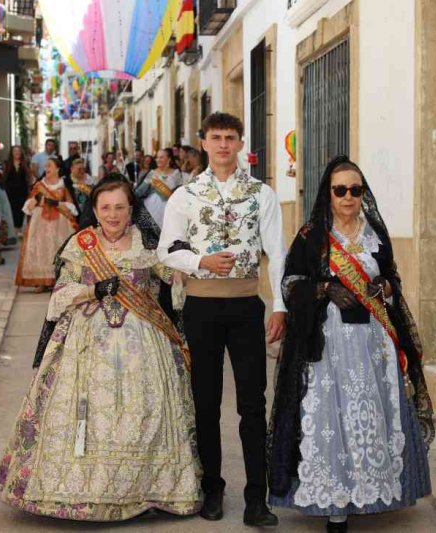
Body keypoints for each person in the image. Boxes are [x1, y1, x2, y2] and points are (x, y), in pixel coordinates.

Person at [0, 176, 202, 521]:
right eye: (105, 207)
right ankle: (77, 495)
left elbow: (175, 284)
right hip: (86, 339)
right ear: (94, 210)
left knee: (144, 411)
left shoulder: (149, 245)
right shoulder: (81, 245)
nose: (112, 214)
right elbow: (58, 298)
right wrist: (93, 290)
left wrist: (186, 264)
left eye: (120, 207)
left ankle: (145, 491)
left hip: (143, 342)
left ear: (131, 209)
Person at [267, 155, 434, 533]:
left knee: (375, 415)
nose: (347, 197)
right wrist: (324, 288)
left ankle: (372, 493)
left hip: (373, 344)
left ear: (363, 193)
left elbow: (392, 280)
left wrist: (384, 286)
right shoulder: (312, 236)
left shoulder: (375, 233)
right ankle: (336, 506)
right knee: (331, 418)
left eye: (355, 190)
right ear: (328, 193)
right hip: (327, 346)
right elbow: (291, 283)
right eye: (339, 190)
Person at [158, 112, 286, 527]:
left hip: (246, 306)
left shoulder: (261, 194)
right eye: (216, 137)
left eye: (230, 137)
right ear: (204, 143)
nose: (224, 144)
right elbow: (166, 250)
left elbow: (277, 253)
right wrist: (201, 262)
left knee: (253, 404)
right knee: (205, 401)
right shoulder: (186, 195)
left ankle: (257, 499)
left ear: (240, 143)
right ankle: (212, 488)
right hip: (202, 308)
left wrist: (280, 305)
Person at [15, 156, 78, 292]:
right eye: (46, 166)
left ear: (57, 169)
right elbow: (28, 205)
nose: (46, 168)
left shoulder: (63, 185)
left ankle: (59, 280)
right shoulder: (39, 185)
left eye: (49, 165)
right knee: (41, 249)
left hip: (60, 223)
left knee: (58, 248)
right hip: (41, 222)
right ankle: (42, 281)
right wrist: (36, 200)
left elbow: (71, 206)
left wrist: (55, 203)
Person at [134, 148, 183, 229]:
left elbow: (180, 191)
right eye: (157, 157)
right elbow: (140, 191)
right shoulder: (152, 173)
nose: (158, 160)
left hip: (170, 208)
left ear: (169, 159)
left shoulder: (176, 173)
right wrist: (129, 195)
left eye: (161, 157)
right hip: (152, 207)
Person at [3, 145, 33, 235]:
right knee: (12, 209)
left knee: (21, 210)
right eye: (15, 151)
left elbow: (29, 176)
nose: (17, 153)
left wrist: (30, 188)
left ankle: (19, 229)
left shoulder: (25, 163)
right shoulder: (7, 164)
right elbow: (4, 177)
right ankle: (13, 229)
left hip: (22, 191)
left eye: (18, 151)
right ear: (12, 153)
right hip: (10, 191)